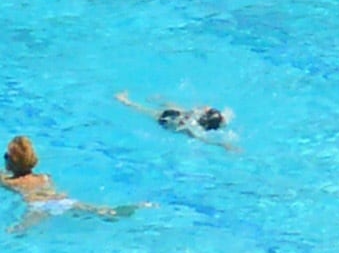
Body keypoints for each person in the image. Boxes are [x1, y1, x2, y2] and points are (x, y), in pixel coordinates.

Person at [5, 135, 141, 226]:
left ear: (12, 162)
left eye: (6, 156)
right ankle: (116, 212)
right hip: (60, 200)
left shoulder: (12, 182)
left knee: (19, 230)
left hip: (37, 207)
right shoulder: (44, 177)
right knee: (95, 210)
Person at [117, 94, 234, 145]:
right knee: (146, 110)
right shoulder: (195, 130)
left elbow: (206, 108)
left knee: (147, 110)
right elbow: (208, 141)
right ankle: (126, 101)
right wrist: (225, 145)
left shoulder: (193, 123)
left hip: (172, 117)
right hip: (171, 119)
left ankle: (126, 101)